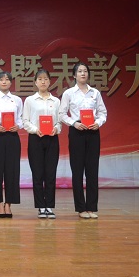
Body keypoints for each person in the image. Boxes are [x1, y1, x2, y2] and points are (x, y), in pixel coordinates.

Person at [59, 62, 107, 219]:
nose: (83, 73)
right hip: (77, 132)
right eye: (79, 71)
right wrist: (74, 123)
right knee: (77, 170)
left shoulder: (95, 93)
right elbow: (61, 114)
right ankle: (80, 208)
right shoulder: (69, 93)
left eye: (85, 71)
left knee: (92, 169)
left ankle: (92, 207)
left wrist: (98, 123)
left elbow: (103, 112)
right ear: (74, 75)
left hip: (93, 131)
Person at [22, 69, 62, 219]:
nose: (43, 81)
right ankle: (40, 206)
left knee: (50, 174)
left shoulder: (56, 101)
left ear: (50, 81)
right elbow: (25, 121)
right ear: (35, 82)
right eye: (40, 79)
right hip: (36, 139)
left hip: (52, 139)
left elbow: (59, 122)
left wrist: (56, 128)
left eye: (45, 79)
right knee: (37, 174)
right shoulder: (30, 100)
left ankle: (49, 206)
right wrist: (35, 129)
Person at [0, 71, 23, 218]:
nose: (4, 82)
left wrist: (18, 126)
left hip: (12, 136)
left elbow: (21, 118)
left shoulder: (17, 100)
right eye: (1, 80)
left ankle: (9, 204)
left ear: (11, 82)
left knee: (12, 170)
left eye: (7, 79)